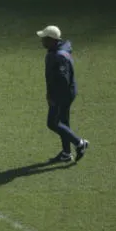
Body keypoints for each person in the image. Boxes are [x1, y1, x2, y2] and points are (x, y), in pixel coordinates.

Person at [37, 25, 89, 163]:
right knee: (63, 122)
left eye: (44, 38)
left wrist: (53, 97)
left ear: (52, 40)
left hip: (63, 95)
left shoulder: (59, 57)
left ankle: (79, 143)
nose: (42, 41)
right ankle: (66, 153)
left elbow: (62, 80)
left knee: (53, 123)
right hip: (67, 92)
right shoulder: (58, 50)